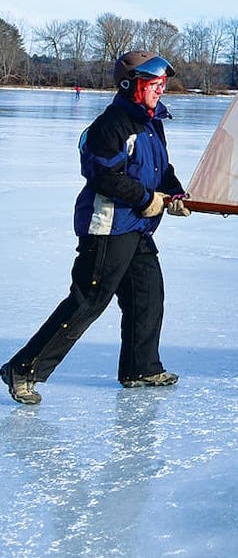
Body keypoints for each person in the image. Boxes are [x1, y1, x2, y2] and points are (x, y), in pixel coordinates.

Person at [2, 51, 190, 406]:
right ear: (130, 85)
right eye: (153, 84)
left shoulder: (152, 123)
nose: (160, 90)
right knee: (88, 301)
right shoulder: (112, 124)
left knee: (148, 295)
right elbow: (103, 175)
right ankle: (23, 369)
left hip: (137, 226)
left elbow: (161, 169)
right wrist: (144, 197)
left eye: (163, 84)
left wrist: (175, 192)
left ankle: (141, 368)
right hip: (107, 226)